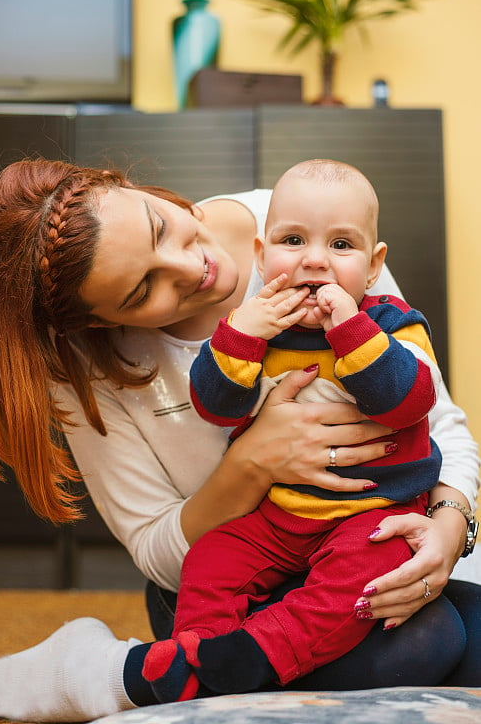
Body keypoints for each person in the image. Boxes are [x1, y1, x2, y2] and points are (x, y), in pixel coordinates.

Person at [0, 157, 479, 722]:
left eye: (159, 227)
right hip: (241, 562)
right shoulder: (85, 360)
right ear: (100, 322)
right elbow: (158, 545)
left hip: (364, 528)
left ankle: (156, 676)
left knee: (455, 638)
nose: (189, 266)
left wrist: (451, 526)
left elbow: (432, 414)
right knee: (431, 642)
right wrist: (252, 463)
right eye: (141, 290)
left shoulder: (314, 222)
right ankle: (106, 673)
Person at [139, 159, 444, 702]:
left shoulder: (395, 322)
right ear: (261, 255)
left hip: (369, 516)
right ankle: (195, 650)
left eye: (342, 246)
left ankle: (257, 654)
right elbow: (217, 408)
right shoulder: (255, 327)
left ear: (374, 267)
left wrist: (351, 330)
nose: (315, 260)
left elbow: (410, 402)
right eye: (293, 240)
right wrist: (239, 335)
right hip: (277, 513)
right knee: (212, 557)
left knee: (362, 582)